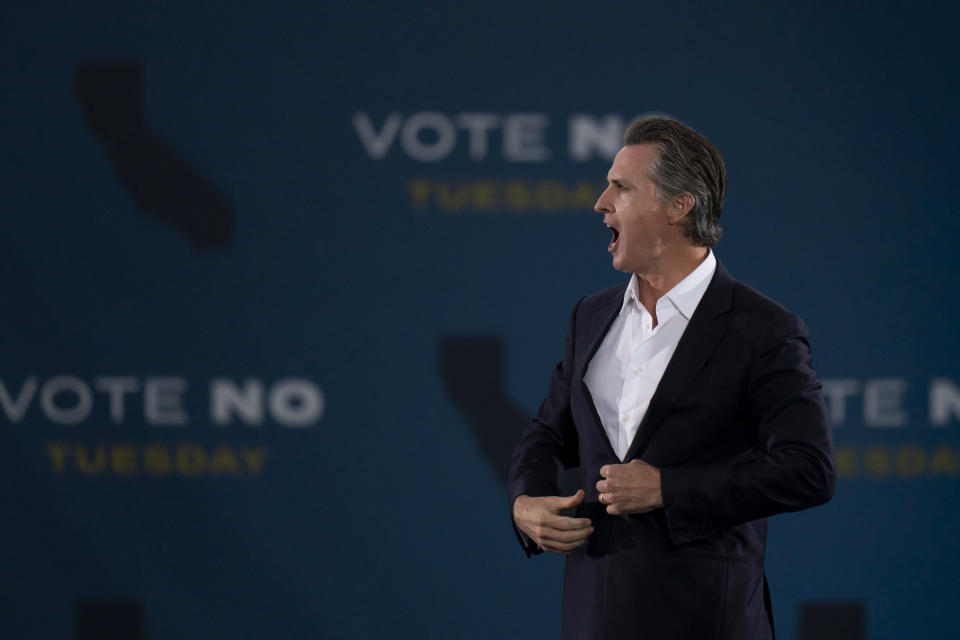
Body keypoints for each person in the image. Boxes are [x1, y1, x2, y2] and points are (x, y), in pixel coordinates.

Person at [508, 116, 836, 640]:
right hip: (591, 620)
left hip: (706, 620)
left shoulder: (762, 329)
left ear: (678, 207)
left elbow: (808, 469)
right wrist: (525, 500)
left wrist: (668, 488)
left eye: (621, 187)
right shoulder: (589, 317)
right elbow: (547, 434)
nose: (600, 202)